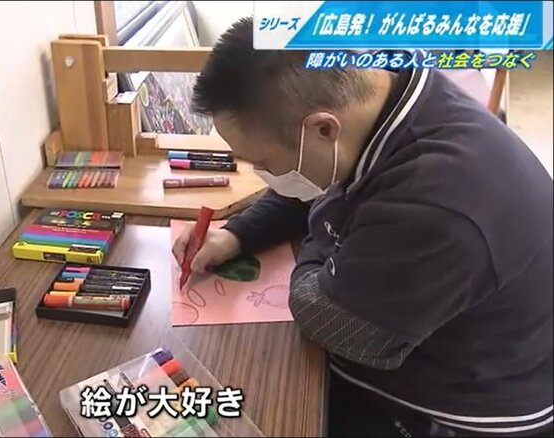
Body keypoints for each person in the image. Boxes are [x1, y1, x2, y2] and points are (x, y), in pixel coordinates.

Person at [172, 18, 553, 437]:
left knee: (257, 406)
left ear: (323, 128)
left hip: (467, 407)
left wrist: (320, 230)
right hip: (433, 325)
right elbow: (314, 177)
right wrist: (235, 233)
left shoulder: (436, 203)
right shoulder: (383, 84)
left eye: (263, 163)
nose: (263, 175)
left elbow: (330, 321)